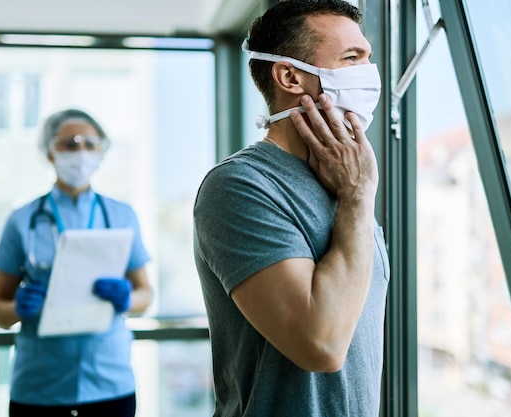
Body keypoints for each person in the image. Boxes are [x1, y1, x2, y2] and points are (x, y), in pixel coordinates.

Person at [193, 1, 390, 416]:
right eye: (350, 59)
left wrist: (355, 192)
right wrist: (358, 196)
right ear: (289, 76)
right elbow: (321, 345)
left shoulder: (345, 180)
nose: (368, 75)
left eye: (367, 59)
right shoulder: (240, 187)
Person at [0, 108, 153, 417]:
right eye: (70, 144)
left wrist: (128, 298)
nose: (81, 152)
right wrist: (16, 309)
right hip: (39, 387)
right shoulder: (21, 220)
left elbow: (145, 295)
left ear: (102, 152)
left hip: (110, 384)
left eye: (90, 144)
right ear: (50, 151)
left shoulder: (121, 215)